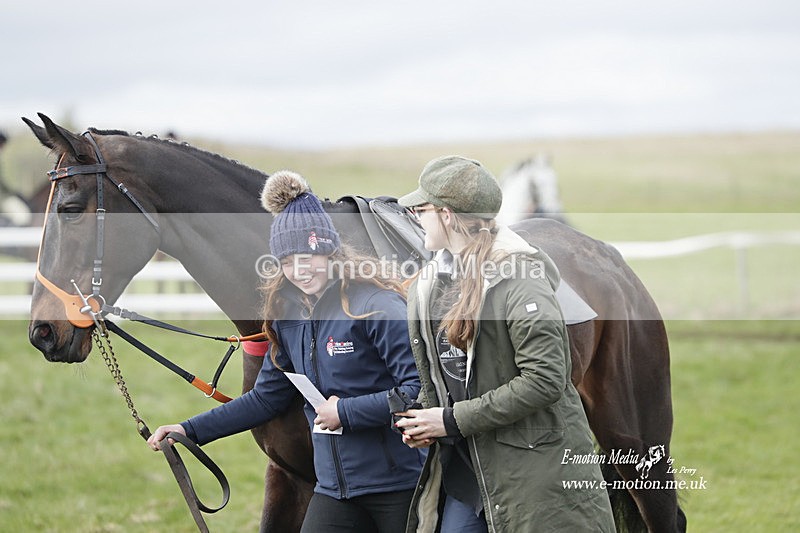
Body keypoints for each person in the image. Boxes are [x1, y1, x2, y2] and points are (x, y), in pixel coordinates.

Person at [148, 170, 425, 533]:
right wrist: (189, 430)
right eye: (289, 260)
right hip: (334, 491)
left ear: (330, 251)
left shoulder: (377, 306)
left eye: (309, 256)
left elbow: (417, 390)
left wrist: (345, 412)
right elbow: (266, 399)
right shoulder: (288, 316)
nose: (300, 270)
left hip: (399, 486)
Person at [394, 156, 615, 532]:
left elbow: (544, 379)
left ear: (446, 215)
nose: (414, 215)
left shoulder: (523, 280)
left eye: (422, 208)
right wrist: (424, 417)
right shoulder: (430, 283)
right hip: (467, 476)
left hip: (532, 474)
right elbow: (448, 373)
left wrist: (449, 421)